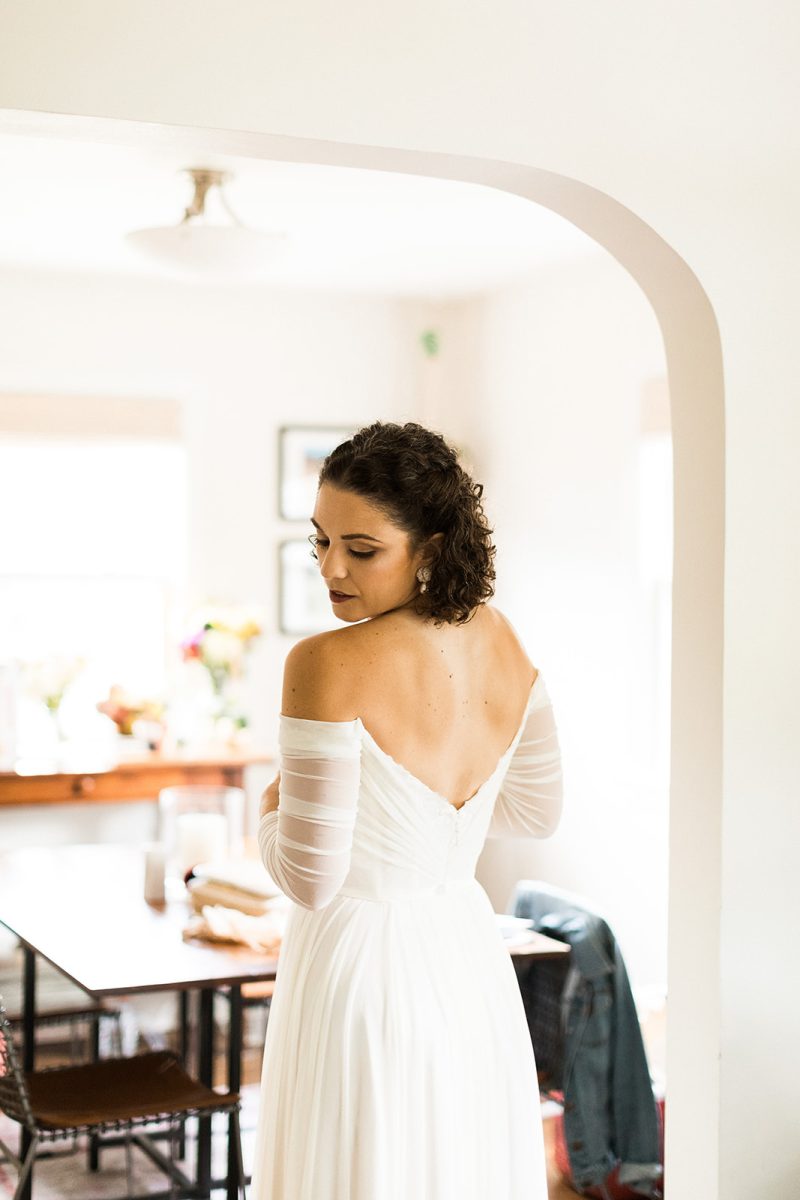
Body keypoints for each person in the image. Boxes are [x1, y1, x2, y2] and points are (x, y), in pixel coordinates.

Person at [251, 421, 564, 1200]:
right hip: (465, 951)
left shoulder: (325, 661)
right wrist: (434, 828)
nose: (331, 567)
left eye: (361, 549)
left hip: (360, 965)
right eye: (322, 540)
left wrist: (270, 806)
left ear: (432, 547)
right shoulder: (501, 639)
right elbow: (535, 810)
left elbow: (310, 880)